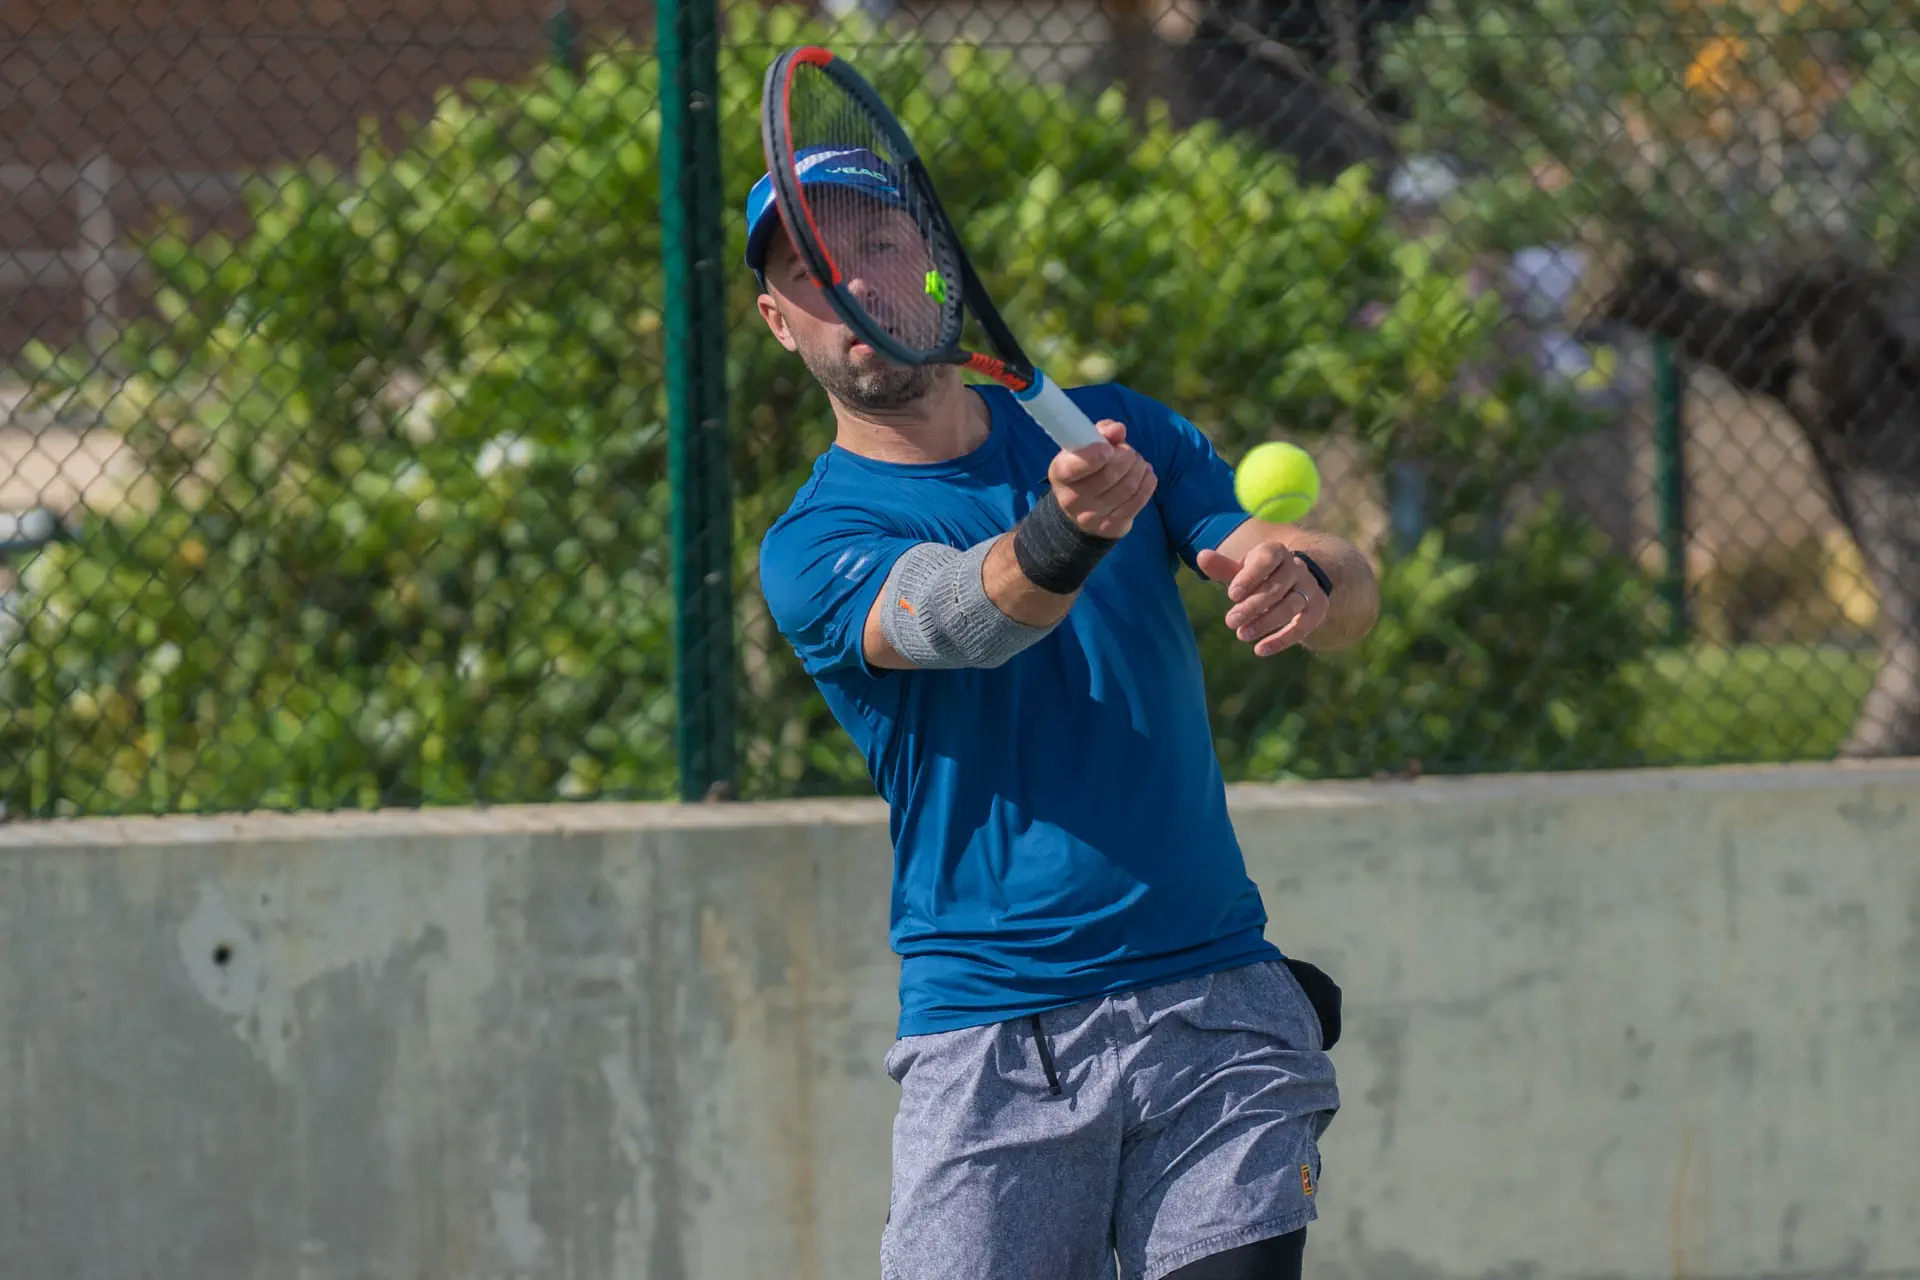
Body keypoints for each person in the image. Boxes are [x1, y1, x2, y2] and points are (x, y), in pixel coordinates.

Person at [744, 151, 1382, 1280]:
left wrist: (1309, 581)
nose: (854, 282)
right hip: (992, 1038)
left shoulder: (1115, 429)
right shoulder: (814, 541)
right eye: (813, 270)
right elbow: (956, 618)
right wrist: (1066, 532)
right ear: (779, 323)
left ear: (938, 268)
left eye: (878, 243)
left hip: (1217, 1005)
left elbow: (1339, 585)